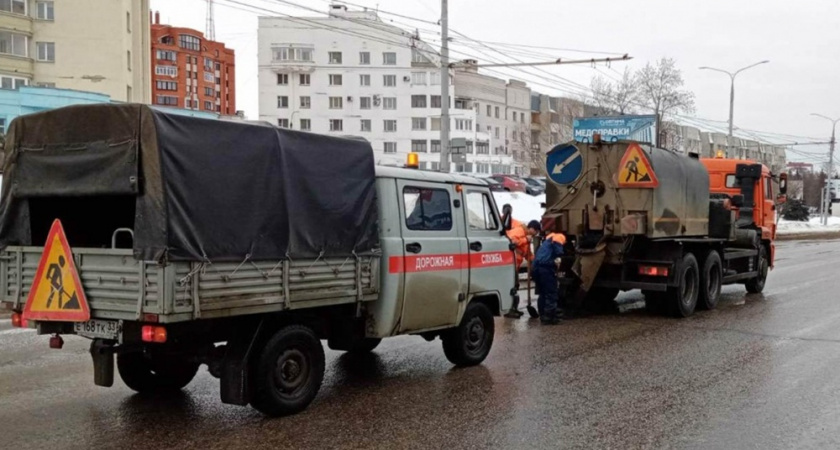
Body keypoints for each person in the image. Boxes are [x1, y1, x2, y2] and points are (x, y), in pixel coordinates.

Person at [503, 218, 540, 318]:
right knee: (511, 287)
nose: (535, 234)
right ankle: (509, 310)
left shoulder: (527, 236)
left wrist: (535, 261)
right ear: (532, 228)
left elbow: (527, 253)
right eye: (535, 231)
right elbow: (511, 241)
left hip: (514, 265)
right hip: (509, 264)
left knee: (515, 286)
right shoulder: (519, 231)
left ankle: (513, 309)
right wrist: (525, 240)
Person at [531, 231, 567, 325]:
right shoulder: (559, 238)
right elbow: (559, 252)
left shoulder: (546, 243)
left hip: (536, 269)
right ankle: (549, 317)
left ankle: (543, 315)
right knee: (551, 293)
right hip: (546, 269)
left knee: (542, 293)